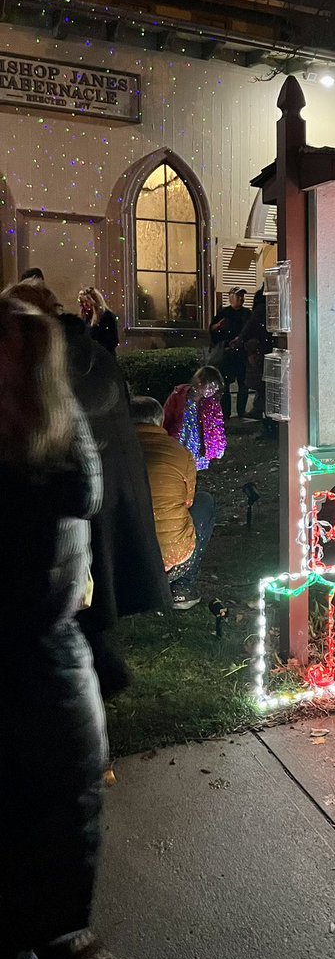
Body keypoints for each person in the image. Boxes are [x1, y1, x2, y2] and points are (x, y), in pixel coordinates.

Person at [0, 295, 152, 959]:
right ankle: (63, 946)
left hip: (28, 711)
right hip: (62, 704)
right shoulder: (62, 450)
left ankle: (60, 950)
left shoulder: (23, 481)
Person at [3, 280, 169, 698]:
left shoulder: (49, 368)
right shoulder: (89, 354)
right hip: (107, 498)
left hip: (79, 512)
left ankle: (100, 667)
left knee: (71, 610)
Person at [131, 395, 216, 611]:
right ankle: (181, 588)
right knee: (204, 502)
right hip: (173, 559)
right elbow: (188, 501)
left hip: (124, 560)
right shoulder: (180, 453)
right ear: (160, 421)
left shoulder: (112, 452)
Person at [163, 366, 227, 470]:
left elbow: (217, 425)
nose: (212, 391)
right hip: (180, 441)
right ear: (199, 382)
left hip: (199, 444)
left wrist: (218, 448)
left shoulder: (212, 402)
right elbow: (167, 415)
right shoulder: (179, 395)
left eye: (215, 388)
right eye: (210, 387)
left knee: (194, 471)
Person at [209, 286, 251, 418]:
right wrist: (217, 327)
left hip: (242, 354)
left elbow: (251, 330)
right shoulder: (224, 313)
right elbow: (212, 330)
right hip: (227, 354)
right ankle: (225, 413)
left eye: (242, 296)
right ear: (231, 297)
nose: (241, 299)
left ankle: (241, 412)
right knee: (225, 385)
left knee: (243, 384)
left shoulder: (247, 313)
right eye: (238, 296)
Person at [235, 286, 272, 420]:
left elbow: (251, 325)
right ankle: (261, 410)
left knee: (262, 382)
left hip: (261, 349)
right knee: (264, 382)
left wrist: (241, 338)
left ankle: (261, 410)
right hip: (265, 347)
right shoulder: (266, 309)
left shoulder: (259, 310)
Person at [78, 286, 120, 355]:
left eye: (86, 302)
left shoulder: (107, 316)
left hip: (104, 358)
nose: (84, 305)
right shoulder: (86, 318)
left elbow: (113, 341)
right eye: (82, 302)